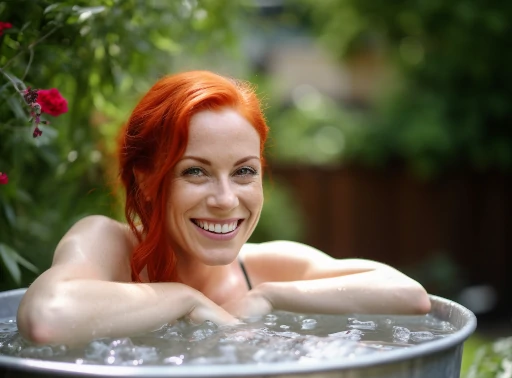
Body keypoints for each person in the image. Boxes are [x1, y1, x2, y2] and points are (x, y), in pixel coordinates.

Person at [16, 70, 431, 346]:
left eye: (244, 172)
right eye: (196, 172)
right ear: (145, 177)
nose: (226, 199)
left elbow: (410, 297)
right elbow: (47, 319)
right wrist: (183, 299)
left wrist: (269, 297)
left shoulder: (265, 269)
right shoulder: (106, 244)